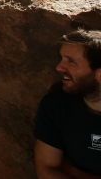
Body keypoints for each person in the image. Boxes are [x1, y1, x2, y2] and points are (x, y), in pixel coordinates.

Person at [34, 29, 101, 178]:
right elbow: (47, 169)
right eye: (61, 58)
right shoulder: (57, 105)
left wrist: (74, 172)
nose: (59, 68)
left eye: (71, 61)